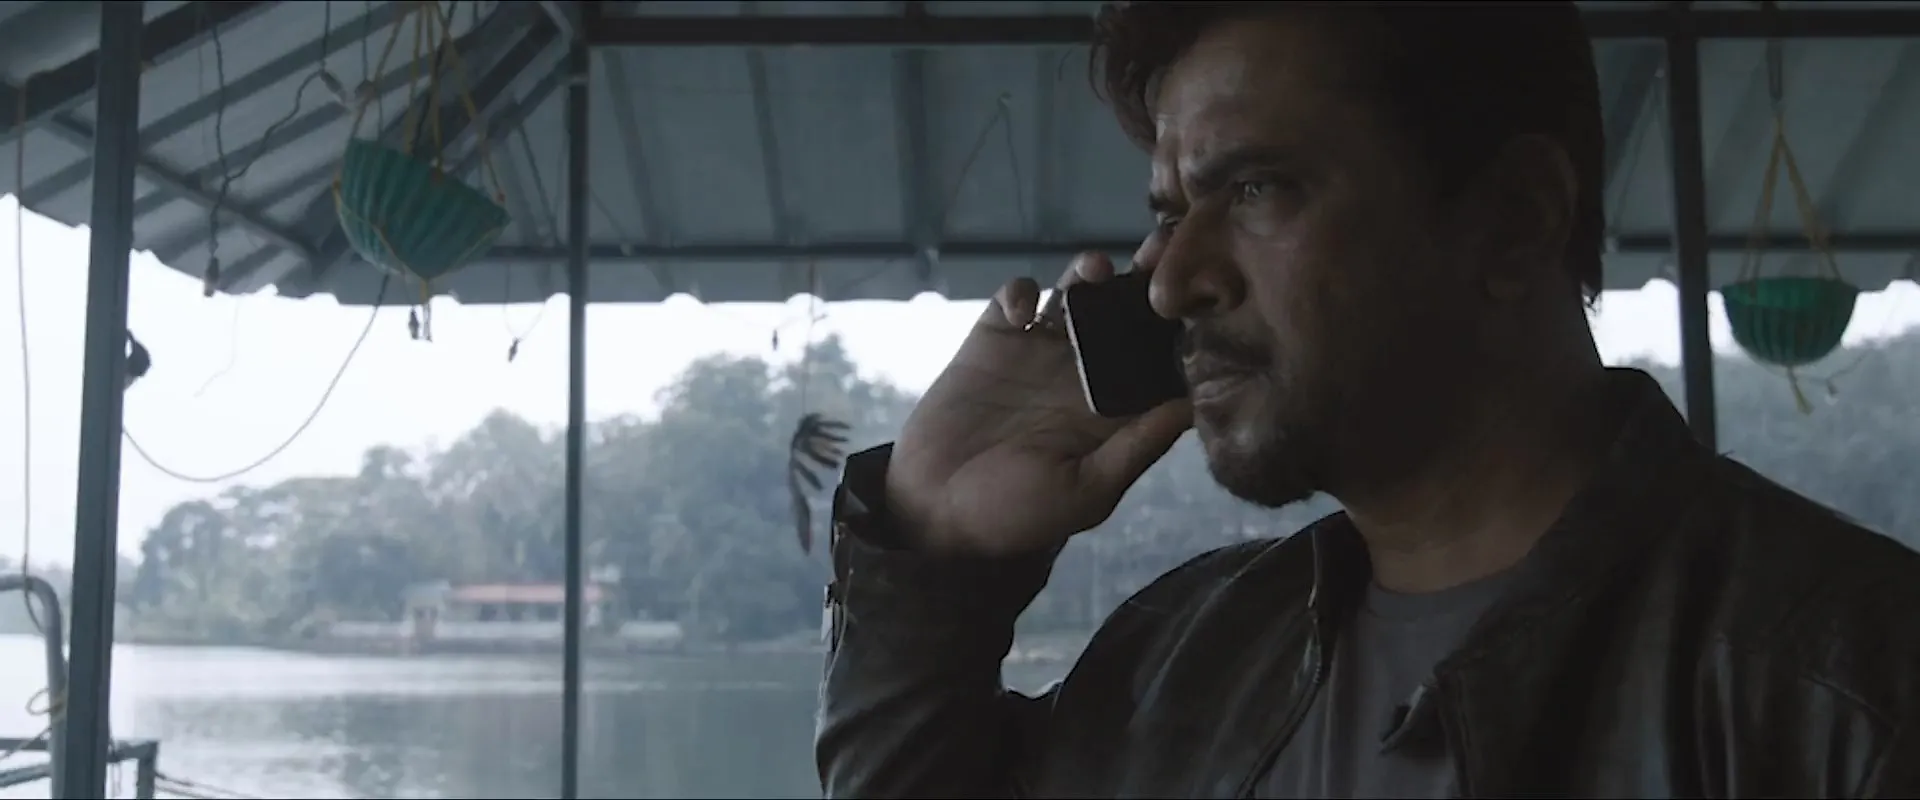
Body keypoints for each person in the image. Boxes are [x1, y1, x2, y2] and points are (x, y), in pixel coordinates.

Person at [815, 2, 1920, 797]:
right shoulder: (1183, 659)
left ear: (1517, 218)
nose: (1169, 280)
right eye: (1170, 212)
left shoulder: (1848, 690)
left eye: (1256, 188)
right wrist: (936, 543)